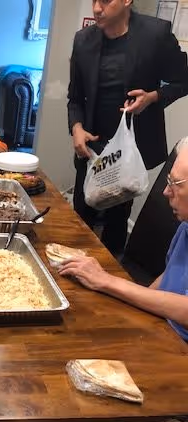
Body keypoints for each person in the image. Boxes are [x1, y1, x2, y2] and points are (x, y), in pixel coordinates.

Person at [68, 0, 188, 258]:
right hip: (92, 147)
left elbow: (182, 81)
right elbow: (75, 98)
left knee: (117, 219)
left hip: (132, 148)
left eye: (106, 1)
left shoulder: (155, 34)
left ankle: (111, 279)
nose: (97, 8)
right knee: (81, 216)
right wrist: (76, 127)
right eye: (94, 0)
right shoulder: (83, 40)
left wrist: (153, 97)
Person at [58, 137, 188, 342]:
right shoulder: (185, 227)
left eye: (175, 184)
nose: (165, 191)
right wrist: (137, 307)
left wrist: (107, 281)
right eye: (167, 181)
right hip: (163, 329)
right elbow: (170, 278)